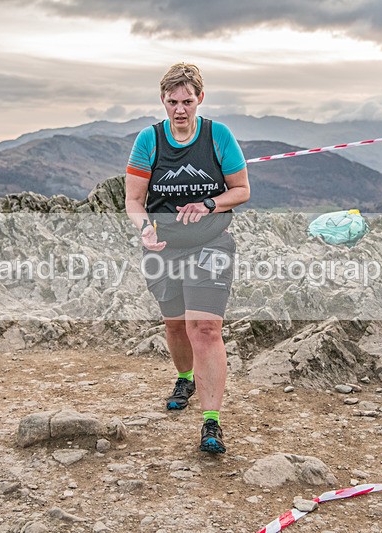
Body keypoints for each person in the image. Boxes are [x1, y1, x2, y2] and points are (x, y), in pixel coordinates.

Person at [124, 63, 250, 454]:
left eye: (187, 100)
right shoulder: (149, 140)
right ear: (163, 100)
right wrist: (144, 227)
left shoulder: (218, 135)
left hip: (211, 241)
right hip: (162, 246)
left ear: (200, 98)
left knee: (206, 330)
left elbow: (242, 190)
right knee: (176, 326)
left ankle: (211, 423)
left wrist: (209, 203)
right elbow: (133, 200)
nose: (180, 109)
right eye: (172, 101)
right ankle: (185, 377)